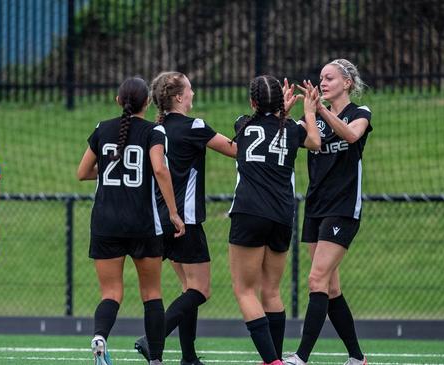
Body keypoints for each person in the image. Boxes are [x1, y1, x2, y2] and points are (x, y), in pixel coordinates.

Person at [77, 76, 185, 365]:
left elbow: (83, 172)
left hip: (105, 223)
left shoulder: (102, 129)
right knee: (151, 293)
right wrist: (173, 213)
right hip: (142, 223)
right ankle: (156, 360)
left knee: (111, 292)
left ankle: (100, 337)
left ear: (117, 101)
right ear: (147, 103)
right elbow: (160, 170)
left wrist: (112, 167)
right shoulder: (153, 131)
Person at [132, 71, 237, 365]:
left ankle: (188, 357)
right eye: (189, 90)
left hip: (157, 218)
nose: (193, 94)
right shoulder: (195, 127)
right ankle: (153, 339)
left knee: (188, 288)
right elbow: (238, 150)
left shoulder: (154, 129)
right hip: (184, 220)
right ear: (178, 97)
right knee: (201, 289)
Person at [283, 59, 372, 365]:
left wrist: (319, 110)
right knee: (330, 287)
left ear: (347, 83)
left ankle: (301, 357)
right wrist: (283, 112)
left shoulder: (360, 114)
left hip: (343, 208)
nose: (323, 82)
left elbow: (351, 136)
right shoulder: (313, 119)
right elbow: (287, 137)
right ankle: (357, 358)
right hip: (316, 206)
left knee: (316, 280)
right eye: (321, 77)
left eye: (330, 78)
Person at [229, 75, 321, 365]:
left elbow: (265, 125)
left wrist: (281, 108)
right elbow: (315, 142)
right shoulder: (293, 130)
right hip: (282, 215)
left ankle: (272, 361)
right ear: (281, 103)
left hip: (249, 212)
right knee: (271, 290)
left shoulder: (242, 124)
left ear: (253, 102)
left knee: (245, 290)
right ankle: (276, 358)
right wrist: (307, 111)